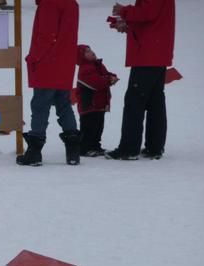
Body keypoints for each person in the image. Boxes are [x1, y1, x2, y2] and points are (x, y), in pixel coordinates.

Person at [105, 0, 175, 160]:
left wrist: (125, 11)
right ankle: (154, 146)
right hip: (156, 52)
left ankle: (129, 148)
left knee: (134, 101)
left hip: (147, 53)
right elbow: (152, 18)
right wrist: (127, 23)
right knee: (154, 101)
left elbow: (148, 13)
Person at [17, 0, 80, 166]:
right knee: (64, 105)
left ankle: (34, 151)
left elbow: (46, 35)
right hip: (65, 62)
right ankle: (73, 151)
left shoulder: (49, 3)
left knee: (40, 106)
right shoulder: (71, 4)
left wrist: (33, 57)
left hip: (47, 62)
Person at [75, 44, 119, 157]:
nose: (91, 52)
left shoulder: (98, 65)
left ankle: (95, 146)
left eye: (90, 50)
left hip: (99, 104)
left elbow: (105, 75)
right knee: (89, 128)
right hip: (89, 106)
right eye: (87, 52)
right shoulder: (85, 70)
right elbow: (96, 82)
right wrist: (109, 80)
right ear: (81, 57)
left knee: (98, 127)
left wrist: (112, 76)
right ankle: (84, 148)